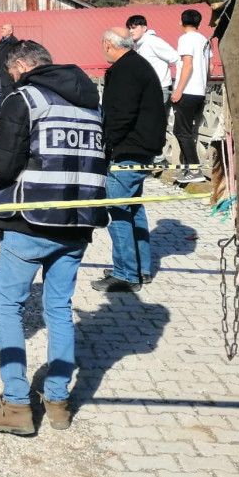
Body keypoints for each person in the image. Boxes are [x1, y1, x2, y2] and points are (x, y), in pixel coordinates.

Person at [0, 41, 107, 436]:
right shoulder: (90, 105)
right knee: (59, 310)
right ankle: (58, 401)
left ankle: (16, 404)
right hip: (78, 224)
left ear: (20, 66)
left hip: (31, 223)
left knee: (8, 308)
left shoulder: (27, 99)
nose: (10, 78)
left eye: (11, 72)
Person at [90, 27, 165, 293]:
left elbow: (120, 115)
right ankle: (140, 268)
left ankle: (126, 274)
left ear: (109, 44)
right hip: (142, 148)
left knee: (118, 211)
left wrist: (106, 146)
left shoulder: (125, 70)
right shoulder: (137, 65)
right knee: (134, 209)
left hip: (128, 151)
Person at [171, 9, 212, 184]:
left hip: (187, 91)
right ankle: (189, 168)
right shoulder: (204, 40)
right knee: (184, 131)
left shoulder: (186, 39)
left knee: (182, 131)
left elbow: (188, 65)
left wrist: (178, 90)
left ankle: (194, 169)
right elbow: (209, 68)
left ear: (181, 22)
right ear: (198, 23)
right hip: (200, 91)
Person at [126, 14, 179, 106]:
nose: (131, 31)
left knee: (155, 120)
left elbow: (177, 58)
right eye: (129, 28)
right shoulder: (138, 45)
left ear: (144, 28)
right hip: (147, 90)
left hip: (158, 89)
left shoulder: (153, 41)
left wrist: (178, 87)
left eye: (134, 28)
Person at [0, 23, 18, 115]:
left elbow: (15, 56)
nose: (2, 30)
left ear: (10, 31)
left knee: (7, 90)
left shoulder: (13, 41)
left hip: (7, 70)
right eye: (2, 28)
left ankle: (7, 111)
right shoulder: (1, 41)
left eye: (5, 29)